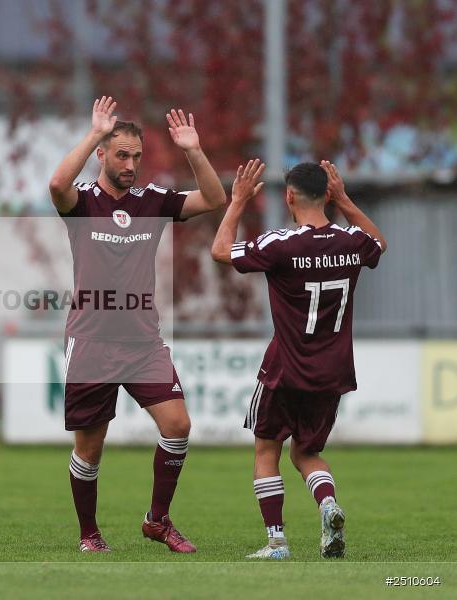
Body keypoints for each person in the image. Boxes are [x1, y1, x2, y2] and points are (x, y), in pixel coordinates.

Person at [49, 96, 226, 553]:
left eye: (137, 157)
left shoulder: (151, 202)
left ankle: (157, 520)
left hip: (142, 342)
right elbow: (56, 184)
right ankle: (89, 534)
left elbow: (214, 198)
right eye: (122, 155)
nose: (130, 165)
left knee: (178, 425)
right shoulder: (83, 203)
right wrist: (92, 134)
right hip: (91, 341)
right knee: (90, 449)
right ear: (102, 156)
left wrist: (192, 149)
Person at [211, 159, 386, 559]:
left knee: (266, 449)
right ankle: (328, 505)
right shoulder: (351, 241)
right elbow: (379, 243)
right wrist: (345, 200)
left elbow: (220, 251)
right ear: (328, 194)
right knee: (306, 453)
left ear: (289, 196)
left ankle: (276, 541)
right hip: (332, 371)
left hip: (285, 368)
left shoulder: (280, 244)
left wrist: (237, 201)